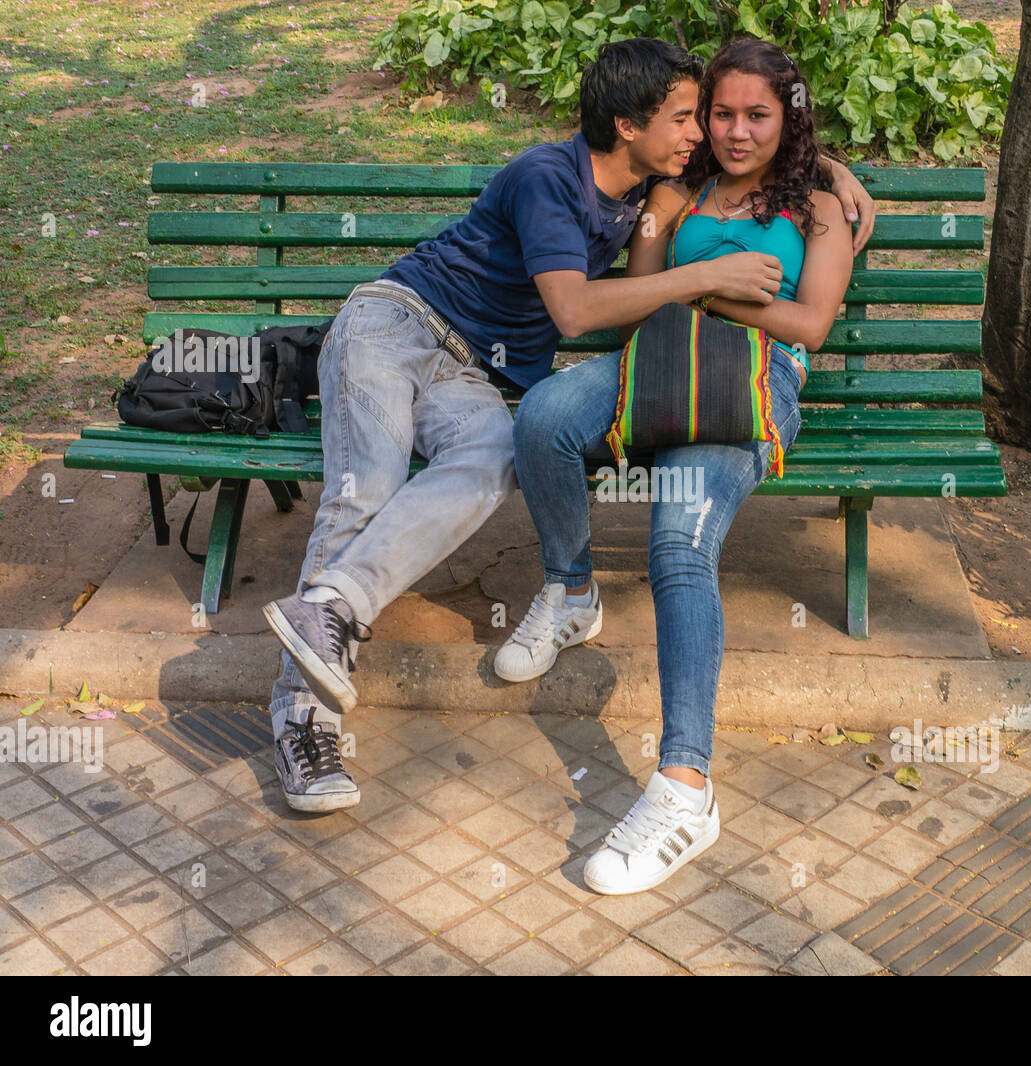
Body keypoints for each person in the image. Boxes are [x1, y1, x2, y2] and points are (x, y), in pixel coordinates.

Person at [261, 37, 876, 813]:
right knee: (371, 486)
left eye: (731, 116)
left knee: (491, 459)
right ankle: (304, 714)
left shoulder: (672, 181)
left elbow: (800, 298)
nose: (713, 133)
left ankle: (332, 603)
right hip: (398, 327)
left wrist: (830, 169)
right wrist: (710, 279)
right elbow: (588, 308)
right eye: (701, 117)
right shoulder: (565, 180)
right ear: (631, 126)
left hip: (487, 373)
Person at [497, 39, 856, 894]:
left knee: (676, 544)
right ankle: (571, 587)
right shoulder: (676, 188)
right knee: (544, 416)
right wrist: (713, 275)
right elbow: (645, 281)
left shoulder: (820, 208)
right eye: (721, 113)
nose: (732, 132)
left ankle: (685, 788)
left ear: (788, 116)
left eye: (756, 115)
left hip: (750, 381)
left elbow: (807, 327)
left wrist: (715, 287)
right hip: (658, 358)